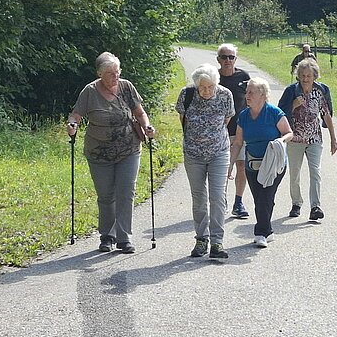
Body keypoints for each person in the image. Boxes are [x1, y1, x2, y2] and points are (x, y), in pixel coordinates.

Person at [67, 51, 155, 254]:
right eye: (110, 73)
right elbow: (76, 114)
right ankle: (107, 236)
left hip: (129, 149)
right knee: (106, 196)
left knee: (126, 192)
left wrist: (147, 126)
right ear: (100, 74)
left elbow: (140, 112)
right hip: (99, 152)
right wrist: (72, 125)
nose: (116, 76)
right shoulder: (90, 91)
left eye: (117, 72)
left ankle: (124, 238)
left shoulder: (126, 87)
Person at [176, 64, 234, 259]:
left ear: (216, 84)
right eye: (202, 87)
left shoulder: (225, 95)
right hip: (193, 154)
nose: (206, 91)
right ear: (196, 85)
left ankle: (217, 242)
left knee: (217, 196)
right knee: (199, 197)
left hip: (219, 152)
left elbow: (226, 121)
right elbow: (183, 120)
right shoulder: (186, 94)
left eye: (210, 87)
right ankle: (201, 239)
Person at [229, 77, 293, 248]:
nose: (247, 95)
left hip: (274, 164)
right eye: (247, 92)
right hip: (253, 164)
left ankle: (261, 233)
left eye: (251, 92)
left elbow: (289, 132)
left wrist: (281, 140)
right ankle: (268, 231)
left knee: (265, 196)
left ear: (262, 94)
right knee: (261, 199)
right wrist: (230, 164)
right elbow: (238, 143)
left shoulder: (274, 113)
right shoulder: (244, 116)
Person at [278, 58, 337, 221]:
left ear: (314, 76)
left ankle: (315, 207)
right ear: (298, 76)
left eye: (308, 76)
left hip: (314, 138)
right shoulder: (291, 91)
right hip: (295, 139)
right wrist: (293, 105)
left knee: (315, 172)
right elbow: (280, 113)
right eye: (303, 76)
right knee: (295, 173)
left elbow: (326, 115)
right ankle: (296, 203)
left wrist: (333, 138)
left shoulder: (320, 92)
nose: (305, 79)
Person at [217, 43, 251, 219]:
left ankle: (238, 202)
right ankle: (220, 201)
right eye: (224, 57)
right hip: (218, 132)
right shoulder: (213, 77)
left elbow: (251, 99)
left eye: (231, 57)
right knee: (221, 168)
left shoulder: (244, 77)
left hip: (240, 131)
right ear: (218, 59)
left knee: (241, 165)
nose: (228, 60)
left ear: (235, 59)